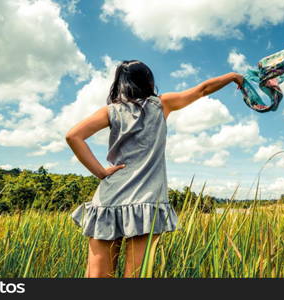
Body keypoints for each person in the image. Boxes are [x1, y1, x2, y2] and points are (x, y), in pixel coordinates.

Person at [65, 60, 244, 278]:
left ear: (120, 84)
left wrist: (101, 172)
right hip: (145, 201)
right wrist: (234, 76)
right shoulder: (161, 105)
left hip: (108, 200)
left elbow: (73, 136)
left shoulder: (111, 111)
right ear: (148, 81)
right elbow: (202, 90)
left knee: (98, 277)